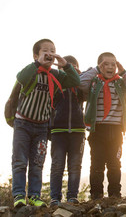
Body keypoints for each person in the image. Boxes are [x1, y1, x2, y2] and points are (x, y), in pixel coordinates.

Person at [12, 39, 80, 208]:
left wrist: (65, 65)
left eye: (53, 50)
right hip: (23, 124)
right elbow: (20, 77)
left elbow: (75, 81)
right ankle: (19, 195)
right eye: (45, 50)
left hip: (42, 126)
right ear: (36, 55)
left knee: (37, 162)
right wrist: (37, 64)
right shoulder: (31, 72)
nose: (50, 53)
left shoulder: (57, 75)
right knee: (20, 161)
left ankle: (34, 195)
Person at [79, 52, 126, 199]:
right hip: (97, 129)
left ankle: (114, 194)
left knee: (114, 163)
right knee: (97, 163)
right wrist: (95, 70)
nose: (110, 67)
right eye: (105, 64)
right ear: (100, 66)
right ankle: (96, 194)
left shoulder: (120, 83)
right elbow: (80, 82)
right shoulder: (94, 83)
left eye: (113, 64)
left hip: (115, 129)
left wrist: (123, 71)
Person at [49, 55, 86, 207]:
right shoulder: (55, 83)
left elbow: (88, 91)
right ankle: (55, 198)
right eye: (64, 66)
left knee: (75, 165)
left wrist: (77, 74)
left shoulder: (80, 86)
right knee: (57, 165)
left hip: (78, 130)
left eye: (72, 66)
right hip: (58, 130)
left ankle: (72, 196)